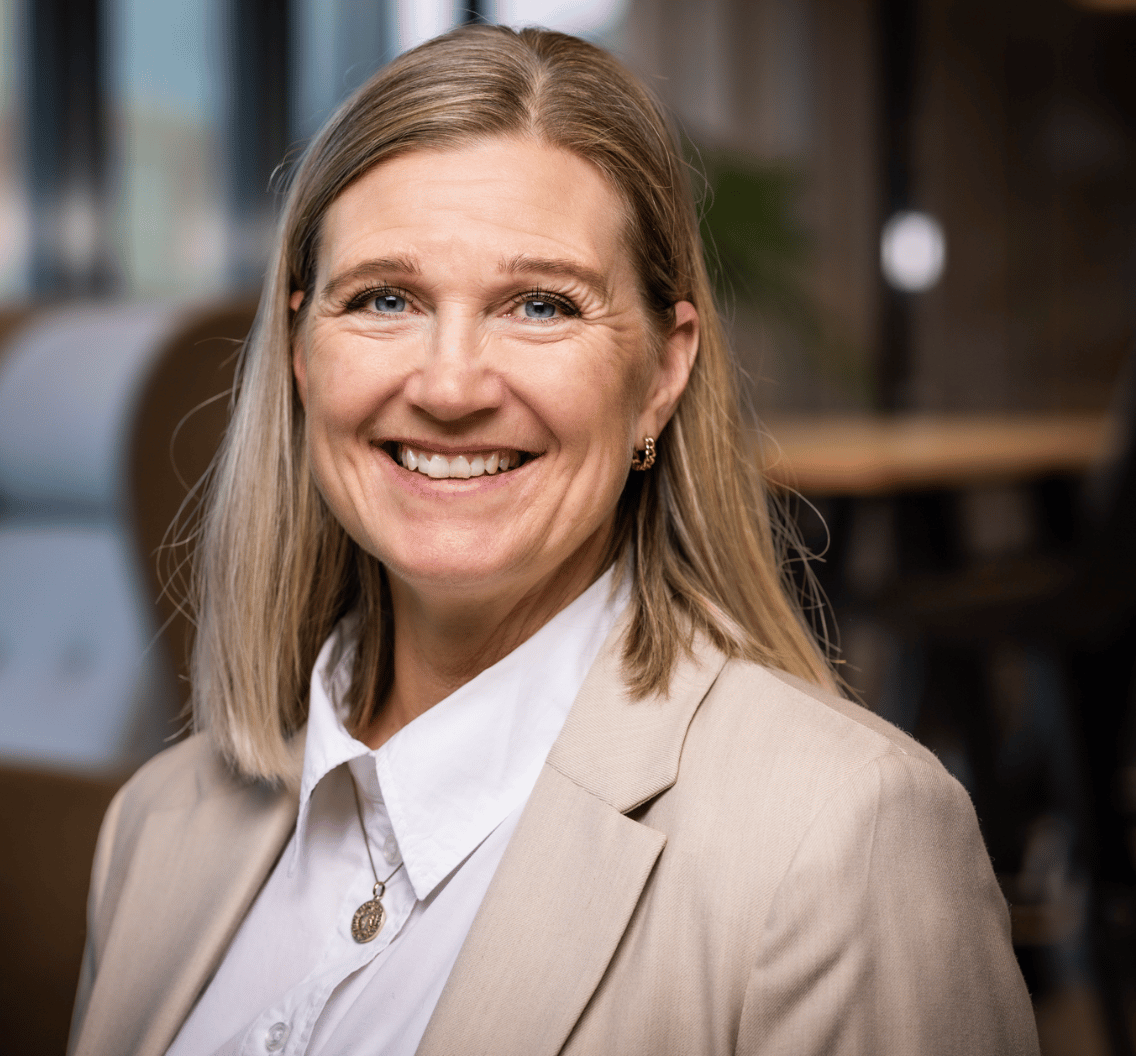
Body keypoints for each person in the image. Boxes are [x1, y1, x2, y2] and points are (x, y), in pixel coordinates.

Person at [68, 24, 1039, 1056]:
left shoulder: (844, 838)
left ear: (661, 375)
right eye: (384, 299)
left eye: (539, 305)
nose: (448, 386)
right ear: (303, 353)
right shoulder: (154, 828)